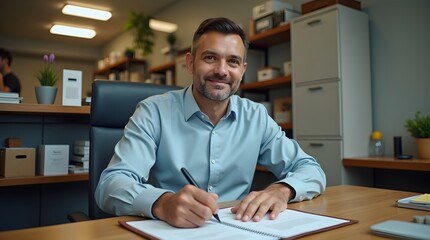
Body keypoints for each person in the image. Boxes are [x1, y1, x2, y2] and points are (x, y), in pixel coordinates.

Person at [95, 17, 326, 228]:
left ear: (242, 70)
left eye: (233, 61)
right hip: (172, 231)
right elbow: (111, 185)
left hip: (239, 229)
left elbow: (311, 170)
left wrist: (282, 190)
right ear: (190, 62)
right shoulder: (153, 111)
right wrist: (163, 204)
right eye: (210, 58)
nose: (221, 71)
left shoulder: (256, 116)